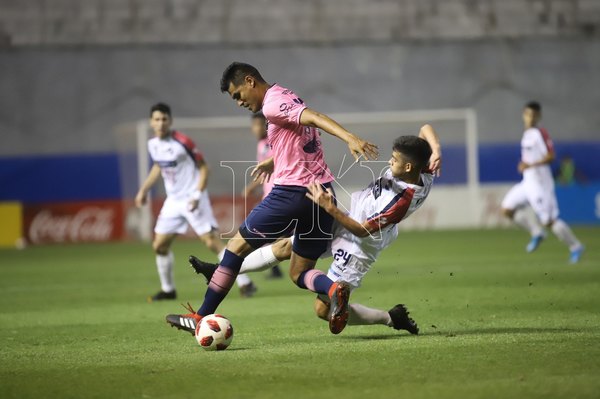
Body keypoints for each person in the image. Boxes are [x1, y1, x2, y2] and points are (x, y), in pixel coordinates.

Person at [166, 62, 378, 335]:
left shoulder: (272, 105)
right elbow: (298, 138)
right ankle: (334, 289)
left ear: (250, 81)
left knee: (235, 247)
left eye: (238, 95)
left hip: (292, 193)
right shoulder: (286, 94)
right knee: (298, 273)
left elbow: (312, 117)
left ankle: (201, 316)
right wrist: (273, 160)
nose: (239, 102)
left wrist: (350, 137)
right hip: (322, 194)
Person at [190, 126, 441, 334]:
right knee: (286, 246)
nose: (390, 161)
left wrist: (328, 207)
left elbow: (364, 231)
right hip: (347, 218)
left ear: (408, 168)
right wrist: (436, 151)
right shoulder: (423, 170)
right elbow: (425, 129)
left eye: (394, 160)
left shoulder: (401, 200)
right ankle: (222, 270)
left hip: (360, 244)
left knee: (322, 310)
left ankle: (391, 318)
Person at [135, 103, 257, 302]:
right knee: (159, 245)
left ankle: (245, 282)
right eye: (156, 119)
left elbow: (204, 168)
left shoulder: (183, 142)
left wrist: (197, 195)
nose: (160, 123)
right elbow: (159, 166)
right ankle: (168, 290)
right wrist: (143, 190)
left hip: (193, 198)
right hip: (173, 201)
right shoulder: (153, 144)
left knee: (212, 242)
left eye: (164, 119)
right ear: (151, 122)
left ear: (170, 121)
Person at [501, 101, 584, 263]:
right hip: (527, 182)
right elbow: (530, 157)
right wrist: (524, 164)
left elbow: (551, 156)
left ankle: (576, 246)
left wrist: (530, 164)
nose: (530, 118)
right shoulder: (526, 134)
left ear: (538, 116)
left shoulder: (541, 133)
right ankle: (536, 233)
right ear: (523, 115)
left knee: (549, 221)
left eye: (533, 115)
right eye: (527, 114)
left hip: (540, 184)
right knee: (506, 210)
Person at [241, 112, 285, 279]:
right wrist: (253, 187)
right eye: (254, 125)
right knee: (267, 230)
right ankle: (275, 268)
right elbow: (264, 171)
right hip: (269, 192)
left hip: (277, 192)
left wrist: (251, 186)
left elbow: (275, 165)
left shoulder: (272, 143)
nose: (256, 128)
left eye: (260, 125)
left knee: (261, 229)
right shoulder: (261, 144)